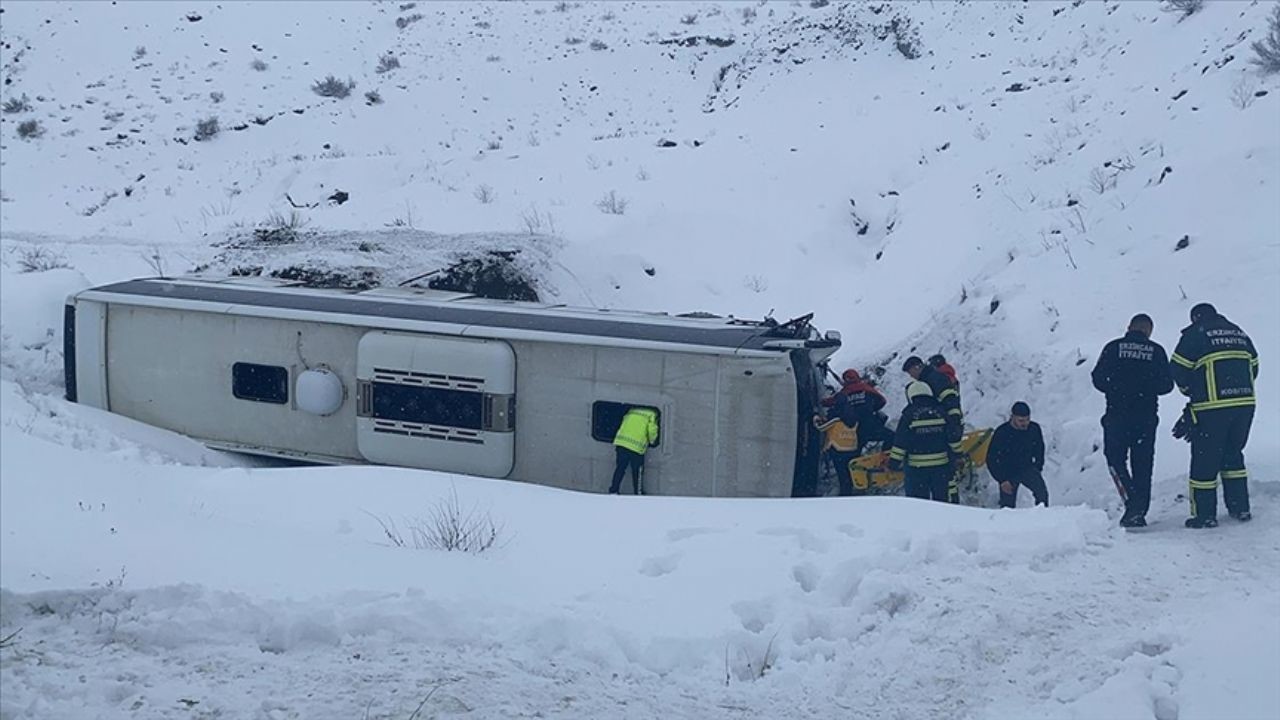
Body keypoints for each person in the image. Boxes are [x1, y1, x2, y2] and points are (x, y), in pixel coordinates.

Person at [1171, 303, 1259, 528]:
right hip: (1244, 405)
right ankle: (1240, 508)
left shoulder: (1195, 335)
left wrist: (1192, 392)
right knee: (1233, 455)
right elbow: (1254, 366)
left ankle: (1205, 515)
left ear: (1195, 318)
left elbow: (1178, 370)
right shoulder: (1238, 332)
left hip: (1212, 407)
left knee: (1204, 459)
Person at [1090, 313, 1175, 528]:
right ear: (1149, 330)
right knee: (1143, 464)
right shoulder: (1156, 351)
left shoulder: (1113, 348)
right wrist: (1145, 386)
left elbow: (1098, 378)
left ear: (1129, 327)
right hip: (1145, 417)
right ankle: (1139, 511)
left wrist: (1117, 386)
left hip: (1117, 415)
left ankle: (1132, 504)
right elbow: (1167, 385)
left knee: (1114, 459)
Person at [903, 356, 964, 501]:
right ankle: (949, 500)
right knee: (945, 469)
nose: (911, 376)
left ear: (917, 367)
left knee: (947, 468)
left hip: (945, 427)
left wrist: (952, 423)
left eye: (911, 372)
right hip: (944, 426)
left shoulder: (935, 379)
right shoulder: (931, 378)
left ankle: (951, 502)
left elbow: (950, 401)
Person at [887, 381, 958, 502]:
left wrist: (893, 463)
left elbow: (900, 443)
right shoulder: (941, 412)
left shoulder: (909, 414)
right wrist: (958, 454)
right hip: (941, 468)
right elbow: (953, 436)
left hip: (917, 470)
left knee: (919, 505)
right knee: (942, 503)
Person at [986, 401, 1049, 508]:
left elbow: (1040, 449)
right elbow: (991, 459)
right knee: (1007, 507)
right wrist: (1002, 480)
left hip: (1027, 468)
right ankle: (1008, 524)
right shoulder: (1002, 432)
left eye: (1027, 420)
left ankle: (1042, 518)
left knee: (1042, 494)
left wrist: (1038, 467)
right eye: (1021, 421)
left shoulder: (1034, 429)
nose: (1025, 423)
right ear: (1012, 417)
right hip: (1007, 472)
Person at [824, 368, 894, 452]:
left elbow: (830, 402)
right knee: (892, 437)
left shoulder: (844, 393)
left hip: (853, 430)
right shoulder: (866, 388)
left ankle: (856, 459)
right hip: (871, 424)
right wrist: (872, 408)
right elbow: (882, 401)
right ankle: (884, 455)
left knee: (855, 448)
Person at [813, 394, 860, 496]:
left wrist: (816, 417)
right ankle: (848, 493)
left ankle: (843, 497)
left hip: (837, 449)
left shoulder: (836, 417)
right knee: (848, 476)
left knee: (842, 476)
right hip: (851, 448)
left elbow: (821, 427)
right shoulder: (853, 416)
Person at [609, 406, 659, 495]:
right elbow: (652, 430)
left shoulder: (632, 410)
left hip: (621, 443)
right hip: (636, 446)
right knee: (637, 471)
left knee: (620, 468)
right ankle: (638, 492)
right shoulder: (651, 414)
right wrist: (652, 441)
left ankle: (613, 490)